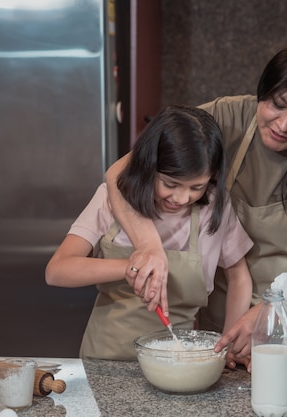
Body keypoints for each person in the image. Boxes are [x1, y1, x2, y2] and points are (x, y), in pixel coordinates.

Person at [104, 38, 287, 368]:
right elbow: (119, 173)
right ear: (264, 90)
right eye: (277, 104)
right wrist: (148, 246)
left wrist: (272, 308)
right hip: (223, 326)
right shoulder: (225, 118)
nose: (283, 125)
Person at [45, 105, 254, 360]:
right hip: (106, 359)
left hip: (178, 362)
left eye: (196, 187)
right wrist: (131, 268)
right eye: (169, 183)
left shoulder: (213, 207)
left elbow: (239, 276)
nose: (181, 197)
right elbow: (57, 271)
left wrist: (228, 344)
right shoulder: (112, 199)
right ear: (148, 166)